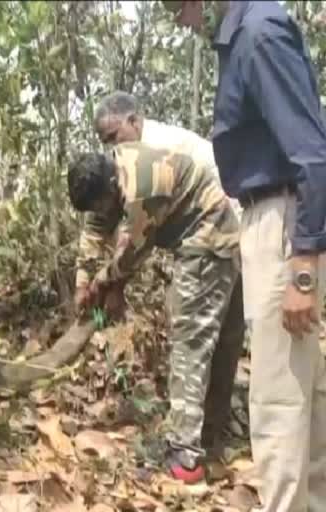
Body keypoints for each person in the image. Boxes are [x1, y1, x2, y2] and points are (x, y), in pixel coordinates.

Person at [169, 1, 326, 510]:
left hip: (282, 221)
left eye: (179, 6)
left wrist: (302, 263)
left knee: (277, 398)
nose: (179, 19)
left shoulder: (258, 35)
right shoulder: (244, 38)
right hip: (271, 218)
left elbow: (311, 152)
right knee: (307, 396)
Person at [69, 142, 245, 484]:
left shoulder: (140, 185)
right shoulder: (109, 173)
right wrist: (81, 283)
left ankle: (185, 455)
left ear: (109, 187)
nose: (102, 212)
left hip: (208, 236)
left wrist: (102, 284)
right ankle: (207, 439)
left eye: (101, 204)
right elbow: (94, 231)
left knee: (191, 343)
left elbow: (133, 251)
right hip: (208, 235)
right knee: (220, 341)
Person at [92, 91, 242, 218]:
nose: (113, 146)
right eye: (107, 141)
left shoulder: (159, 147)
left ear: (134, 121)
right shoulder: (138, 153)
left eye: (114, 136)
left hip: (229, 206)